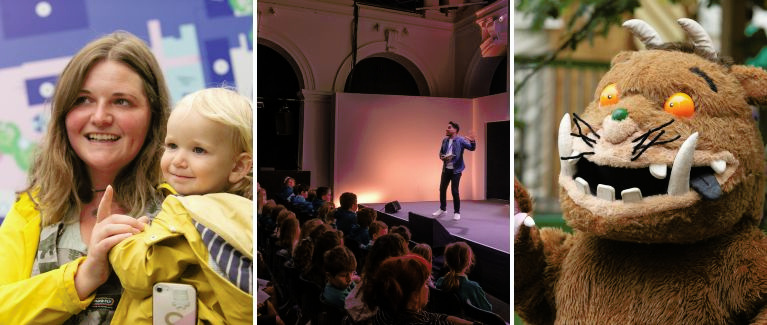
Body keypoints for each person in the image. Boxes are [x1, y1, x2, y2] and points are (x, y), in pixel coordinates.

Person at [0, 31, 170, 323]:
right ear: (64, 113)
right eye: (83, 100)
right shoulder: (31, 210)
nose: (101, 116)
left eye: (122, 102)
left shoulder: (179, 211)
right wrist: (81, 278)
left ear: (153, 117)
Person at [108, 87, 254, 323]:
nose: (178, 160)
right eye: (172, 145)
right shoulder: (242, 213)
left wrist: (122, 240)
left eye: (198, 150)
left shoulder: (187, 213)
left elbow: (140, 273)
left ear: (238, 167)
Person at [362, 255, 473, 325]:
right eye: (425, 283)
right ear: (414, 295)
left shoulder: (384, 312)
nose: (428, 287)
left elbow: (433, 316)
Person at [433, 121, 476, 221]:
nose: (447, 129)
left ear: (455, 130)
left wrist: (472, 141)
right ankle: (443, 209)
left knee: (454, 191)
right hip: (446, 169)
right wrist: (442, 157)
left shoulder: (460, 140)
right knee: (442, 189)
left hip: (456, 170)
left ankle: (457, 212)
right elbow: (441, 153)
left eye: (449, 127)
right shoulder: (445, 140)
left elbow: (472, 148)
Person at [435, 241, 492, 311]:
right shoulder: (473, 287)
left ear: (447, 261)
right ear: (468, 262)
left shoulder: (440, 281)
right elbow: (487, 309)